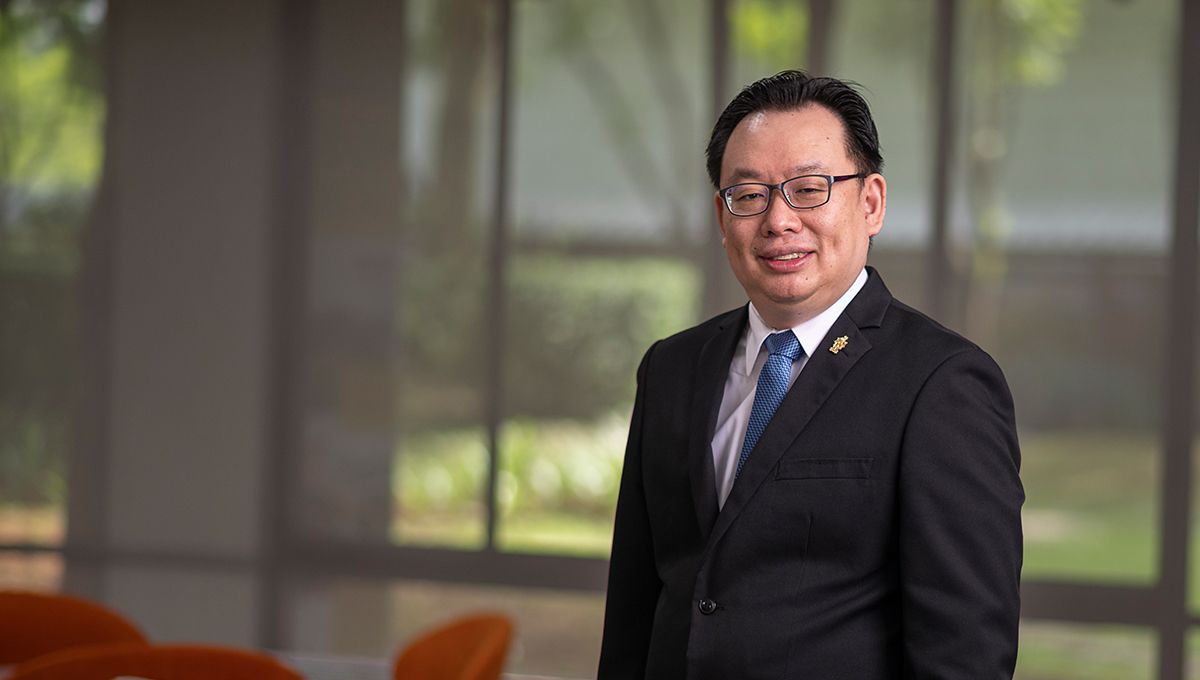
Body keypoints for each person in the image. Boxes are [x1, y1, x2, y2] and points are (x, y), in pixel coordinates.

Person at [597, 70, 1023, 680]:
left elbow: (966, 656)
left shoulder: (943, 384)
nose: (778, 220)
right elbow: (633, 612)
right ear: (722, 216)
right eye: (749, 195)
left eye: (808, 189)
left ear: (871, 203)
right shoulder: (672, 367)